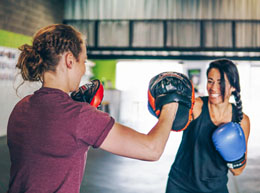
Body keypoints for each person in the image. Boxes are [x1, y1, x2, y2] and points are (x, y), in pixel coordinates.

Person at [6, 24, 193, 193]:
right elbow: (151, 149)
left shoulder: (21, 108)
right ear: (70, 60)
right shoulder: (79, 116)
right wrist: (171, 104)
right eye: (83, 62)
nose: (82, 70)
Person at [165, 59, 250, 193]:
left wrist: (231, 151)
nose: (213, 88)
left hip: (216, 187)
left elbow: (238, 170)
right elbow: (170, 117)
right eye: (210, 81)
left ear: (233, 87)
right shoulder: (196, 107)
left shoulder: (241, 120)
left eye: (220, 82)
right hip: (181, 185)